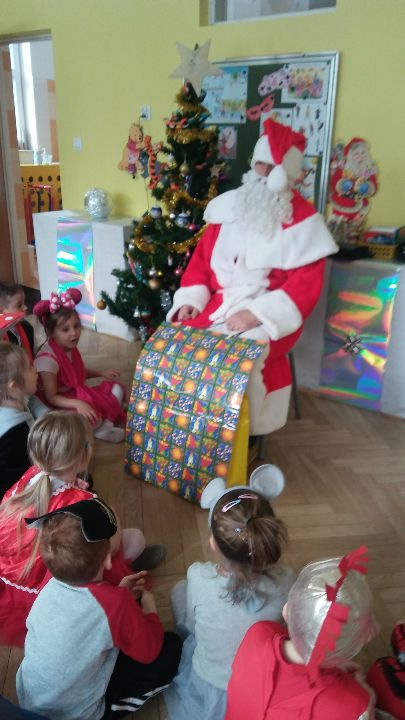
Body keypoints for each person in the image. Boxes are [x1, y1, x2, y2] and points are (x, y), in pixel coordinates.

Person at [167, 118, 338, 437]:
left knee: (238, 357)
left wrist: (255, 314)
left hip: (271, 315)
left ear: (288, 174)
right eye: (261, 165)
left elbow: (304, 290)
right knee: (177, 343)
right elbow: (201, 264)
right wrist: (191, 300)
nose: (266, 174)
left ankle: (238, 433)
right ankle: (190, 425)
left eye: (274, 168)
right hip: (217, 305)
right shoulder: (227, 208)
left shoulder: (304, 223)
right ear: (252, 165)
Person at [16, 498, 183, 720]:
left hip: (30, 700)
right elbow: (149, 651)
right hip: (78, 714)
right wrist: (150, 610)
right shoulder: (116, 603)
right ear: (108, 560)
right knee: (172, 648)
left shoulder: (48, 587)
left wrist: (120, 596)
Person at [0, 411, 155, 647]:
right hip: (60, 579)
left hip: (11, 582)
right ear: (84, 457)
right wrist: (111, 514)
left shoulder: (29, 478)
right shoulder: (83, 502)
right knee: (135, 540)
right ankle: (129, 569)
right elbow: (110, 547)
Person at [164, 467, 294, 720]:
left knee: (179, 590)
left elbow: (192, 621)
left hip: (209, 680)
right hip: (257, 687)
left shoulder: (198, 575)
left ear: (213, 543)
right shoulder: (287, 580)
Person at [225, 546, 378, 720]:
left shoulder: (259, 633)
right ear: (352, 649)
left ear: (287, 610)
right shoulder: (354, 705)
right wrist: (368, 700)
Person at [33, 287, 126, 443]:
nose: (74, 333)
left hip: (74, 395)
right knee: (91, 418)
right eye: (65, 329)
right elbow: (51, 397)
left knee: (116, 388)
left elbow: (76, 373)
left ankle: (105, 426)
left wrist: (100, 373)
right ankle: (104, 424)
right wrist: (79, 404)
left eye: (76, 326)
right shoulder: (47, 361)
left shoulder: (68, 347)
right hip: (57, 405)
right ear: (51, 332)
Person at [0, 343, 49, 500]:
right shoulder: (14, 434)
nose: (35, 369)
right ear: (13, 386)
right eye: (29, 367)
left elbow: (32, 401)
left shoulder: (14, 400)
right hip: (16, 497)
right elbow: (18, 484)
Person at [0, 282, 35, 362]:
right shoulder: (1, 336)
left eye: (24, 303)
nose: (25, 307)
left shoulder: (27, 327)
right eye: (19, 305)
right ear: (2, 311)